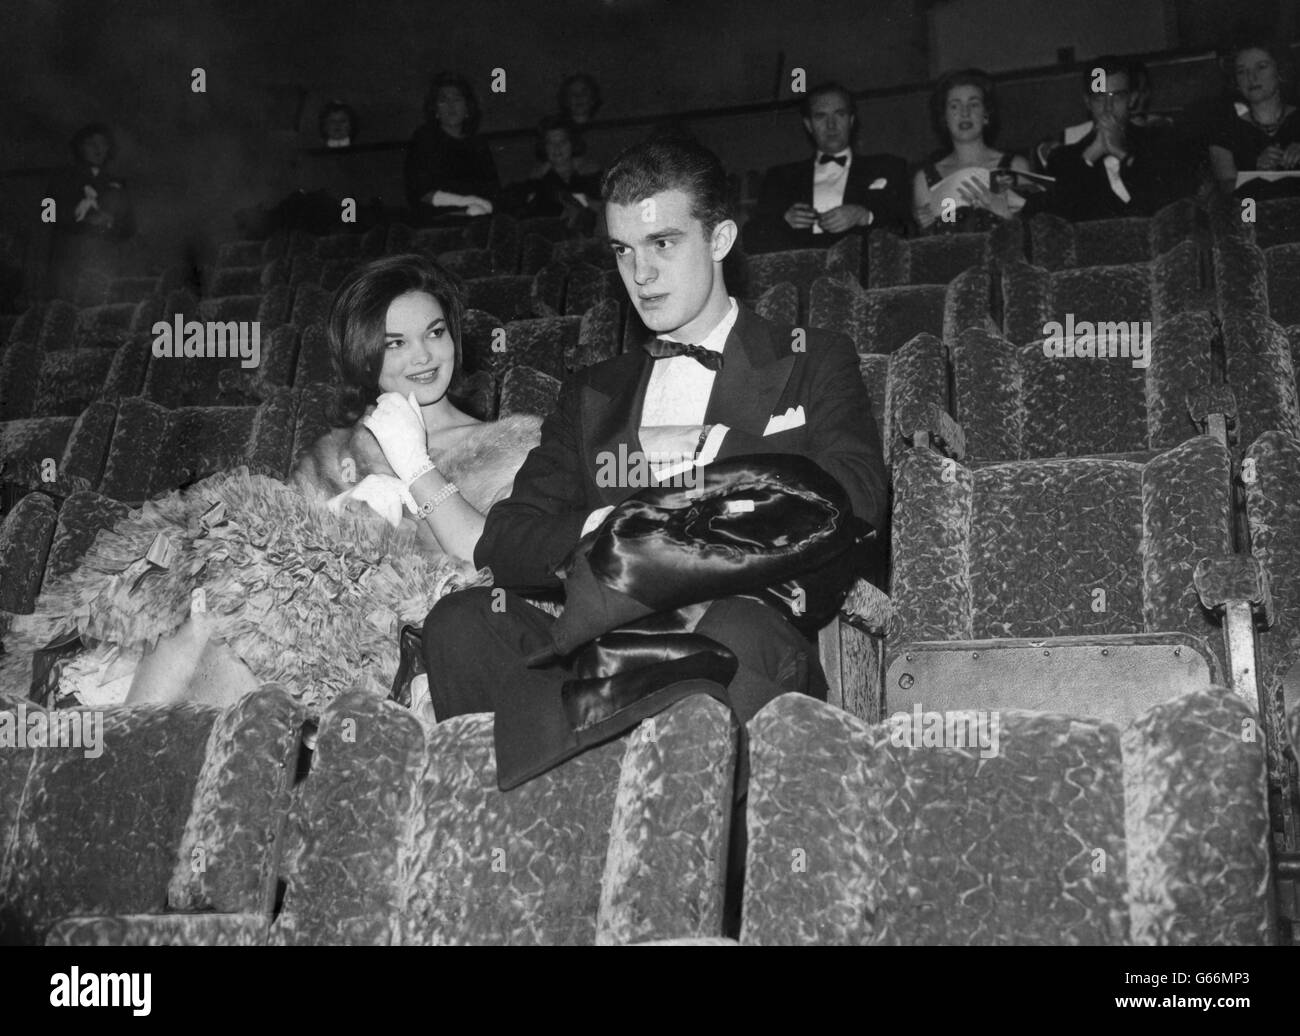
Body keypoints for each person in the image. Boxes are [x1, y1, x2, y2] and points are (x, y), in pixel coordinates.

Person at [405, 136, 887, 787]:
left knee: (735, 633)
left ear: (719, 239)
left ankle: (687, 841)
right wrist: (612, 525)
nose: (641, 274)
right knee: (461, 625)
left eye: (663, 243)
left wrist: (700, 482)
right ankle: (535, 833)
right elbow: (507, 539)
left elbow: (858, 494)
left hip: (738, 622)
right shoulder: (592, 392)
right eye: (623, 251)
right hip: (603, 637)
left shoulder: (811, 357)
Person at [3, 255, 540, 715]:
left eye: (435, 333)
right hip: (289, 631)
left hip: (403, 641)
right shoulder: (338, 450)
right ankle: (135, 751)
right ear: (365, 354)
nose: (421, 356)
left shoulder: (510, 448)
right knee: (210, 604)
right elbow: (279, 551)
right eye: (395, 343)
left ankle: (146, 752)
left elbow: (497, 566)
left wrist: (413, 465)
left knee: (236, 619)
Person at [742, 81, 909, 254]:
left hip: (863, 265)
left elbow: (907, 229)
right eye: (820, 116)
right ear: (808, 125)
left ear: (851, 120)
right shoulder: (780, 177)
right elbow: (751, 237)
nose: (831, 125)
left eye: (840, 114)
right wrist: (784, 220)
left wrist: (864, 216)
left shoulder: (888, 167)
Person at [1045, 56, 1199, 221]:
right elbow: (1062, 214)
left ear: (1132, 99)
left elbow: (1171, 205)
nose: (1108, 108)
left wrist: (1122, 154)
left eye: (1117, 97)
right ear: (1088, 102)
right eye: (1099, 97)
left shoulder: (1159, 143)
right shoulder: (1064, 158)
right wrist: (1091, 154)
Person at [912, 69, 1034, 232]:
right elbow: (934, 241)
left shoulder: (1014, 167)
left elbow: (1032, 235)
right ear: (944, 118)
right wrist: (928, 226)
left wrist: (1006, 216)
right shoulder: (926, 179)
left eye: (974, 104)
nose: (965, 113)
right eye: (954, 106)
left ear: (986, 114)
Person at [46, 123, 136, 301]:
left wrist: (110, 222)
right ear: (80, 148)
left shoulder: (117, 184)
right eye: (91, 144)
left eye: (103, 143)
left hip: (106, 263)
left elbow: (130, 226)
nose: (98, 149)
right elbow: (47, 215)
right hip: (71, 262)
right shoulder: (62, 179)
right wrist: (83, 219)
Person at [1206, 40, 1300, 198]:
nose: (1251, 77)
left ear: (1280, 71)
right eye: (1242, 71)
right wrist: (1254, 171)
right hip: (1251, 212)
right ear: (1235, 81)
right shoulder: (1224, 129)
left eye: (1261, 67)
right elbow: (1226, 190)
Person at [404, 73, 500, 219]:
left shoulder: (478, 143)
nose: (451, 106)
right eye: (443, 100)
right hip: (438, 218)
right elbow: (420, 192)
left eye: (457, 99)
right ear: (435, 109)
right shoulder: (424, 139)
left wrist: (480, 207)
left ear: (467, 108)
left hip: (480, 215)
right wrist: (464, 203)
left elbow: (493, 190)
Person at [506, 116, 603, 231]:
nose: (557, 148)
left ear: (573, 143)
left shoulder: (591, 173)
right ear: (543, 146)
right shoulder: (537, 180)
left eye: (562, 141)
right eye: (550, 143)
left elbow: (604, 209)